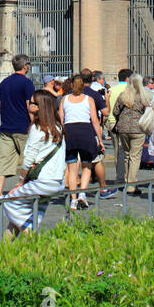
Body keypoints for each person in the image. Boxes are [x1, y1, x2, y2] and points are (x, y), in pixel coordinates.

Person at [1, 91, 66, 237]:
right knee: (30, 212)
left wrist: (21, 181)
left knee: (9, 201)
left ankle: (29, 233)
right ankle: (4, 248)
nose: (28, 104)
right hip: (57, 181)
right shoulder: (57, 128)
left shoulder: (38, 129)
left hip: (43, 181)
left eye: (32, 102)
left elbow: (29, 158)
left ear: (39, 107)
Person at [0, 55, 35, 201]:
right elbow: (29, 106)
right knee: (30, 160)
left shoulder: (4, 83)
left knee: (3, 162)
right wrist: (33, 124)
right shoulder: (27, 83)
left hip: (6, 128)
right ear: (25, 66)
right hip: (23, 127)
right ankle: (26, 189)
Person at [61, 75, 103, 209]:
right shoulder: (89, 99)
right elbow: (95, 121)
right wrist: (100, 139)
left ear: (72, 85)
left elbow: (61, 120)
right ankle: (82, 193)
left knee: (72, 169)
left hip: (70, 132)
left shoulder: (65, 99)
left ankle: (73, 199)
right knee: (87, 166)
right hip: (85, 132)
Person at [112, 73, 150, 194]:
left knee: (127, 154)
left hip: (123, 128)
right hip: (137, 129)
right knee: (135, 156)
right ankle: (131, 184)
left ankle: (127, 180)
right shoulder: (142, 97)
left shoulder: (123, 96)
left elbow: (115, 111)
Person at [80, 68, 113, 198]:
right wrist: (107, 99)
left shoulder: (71, 93)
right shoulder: (94, 94)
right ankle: (103, 188)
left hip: (73, 131)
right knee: (97, 160)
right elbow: (105, 112)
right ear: (92, 79)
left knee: (73, 163)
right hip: (90, 130)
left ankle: (71, 190)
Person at [105, 68, 131, 186]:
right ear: (128, 79)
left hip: (111, 122)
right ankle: (126, 178)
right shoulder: (130, 90)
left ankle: (119, 177)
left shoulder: (111, 90)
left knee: (117, 151)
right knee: (128, 152)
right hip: (126, 123)